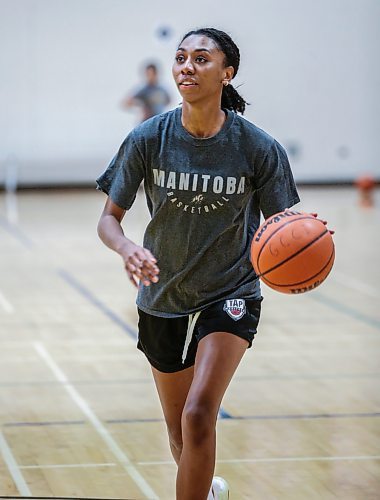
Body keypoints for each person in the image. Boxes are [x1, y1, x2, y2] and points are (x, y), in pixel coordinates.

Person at [96, 27, 300, 500]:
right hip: (162, 295)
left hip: (231, 291)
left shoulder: (257, 147)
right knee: (179, 432)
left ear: (227, 74)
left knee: (198, 414)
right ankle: (208, 492)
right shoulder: (149, 137)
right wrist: (128, 249)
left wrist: (298, 248)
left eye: (202, 59)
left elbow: (283, 229)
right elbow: (109, 220)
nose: (188, 66)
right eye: (182, 57)